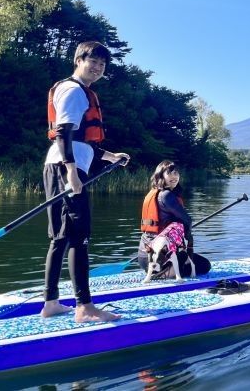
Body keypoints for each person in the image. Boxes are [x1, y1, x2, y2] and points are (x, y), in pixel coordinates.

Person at [41, 41, 130, 323]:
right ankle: (85, 307)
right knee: (79, 238)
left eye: (103, 65)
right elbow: (63, 133)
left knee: (60, 238)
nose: (98, 68)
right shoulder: (74, 90)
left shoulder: (77, 91)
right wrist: (71, 172)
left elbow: (81, 141)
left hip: (59, 165)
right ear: (78, 60)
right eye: (93, 61)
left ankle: (51, 303)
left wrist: (109, 155)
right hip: (65, 168)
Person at [137, 160, 211, 278]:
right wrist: (187, 235)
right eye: (169, 173)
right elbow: (187, 220)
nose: (174, 176)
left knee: (189, 259)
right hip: (159, 256)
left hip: (143, 256)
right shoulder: (166, 195)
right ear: (161, 176)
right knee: (205, 265)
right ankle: (164, 273)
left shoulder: (153, 193)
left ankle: (161, 270)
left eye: (176, 173)